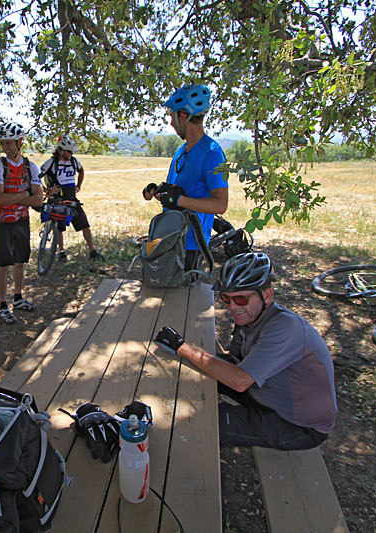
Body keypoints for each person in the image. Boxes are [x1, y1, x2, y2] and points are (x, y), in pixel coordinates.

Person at [154, 252, 337, 450]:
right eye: (226, 298)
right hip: (267, 393)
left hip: (299, 426)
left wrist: (181, 345)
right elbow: (233, 360)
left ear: (267, 295)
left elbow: (239, 381)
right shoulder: (254, 317)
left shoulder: (285, 329)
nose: (232, 307)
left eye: (241, 299)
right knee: (193, 369)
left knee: (201, 424)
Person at [143, 83, 229, 270]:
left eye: (172, 117)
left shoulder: (212, 153)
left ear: (183, 116)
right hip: (170, 237)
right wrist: (158, 191)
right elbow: (176, 193)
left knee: (183, 297)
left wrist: (180, 200)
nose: (171, 123)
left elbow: (220, 205)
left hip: (191, 245)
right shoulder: (181, 151)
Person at [0, 122, 44, 324]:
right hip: (2, 223)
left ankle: (18, 298)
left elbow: (38, 200)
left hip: (22, 221)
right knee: (4, 264)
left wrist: (12, 196)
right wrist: (24, 194)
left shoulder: (31, 167)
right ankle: (3, 304)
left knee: (20, 262)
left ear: (20, 142)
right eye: (3, 144)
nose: (5, 148)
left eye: (9, 143)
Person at [39, 135, 104, 262]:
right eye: (69, 151)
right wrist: (47, 191)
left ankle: (92, 250)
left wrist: (78, 186)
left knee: (84, 223)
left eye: (72, 152)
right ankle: (61, 252)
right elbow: (36, 177)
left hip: (71, 198)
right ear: (60, 150)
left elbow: (81, 171)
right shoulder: (51, 162)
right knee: (59, 227)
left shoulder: (74, 161)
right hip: (56, 199)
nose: (71, 154)